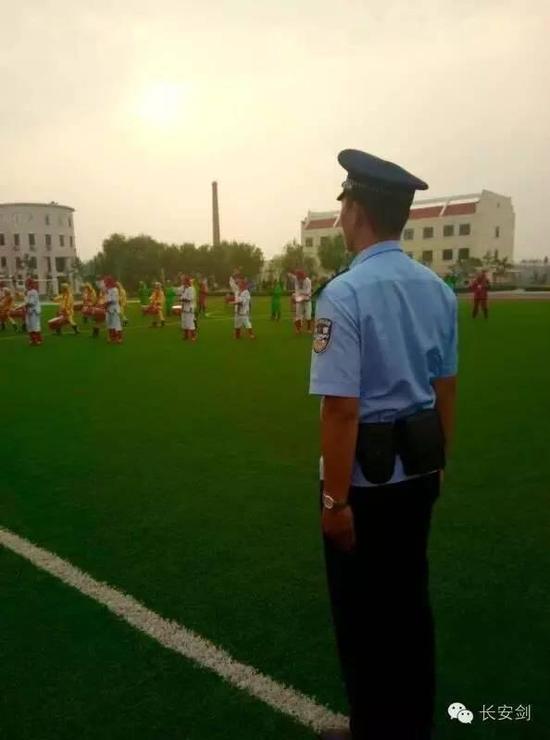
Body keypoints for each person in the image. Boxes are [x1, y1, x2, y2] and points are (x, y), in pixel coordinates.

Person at [309, 149, 457, 740]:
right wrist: (440, 463)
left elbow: (341, 408)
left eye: (344, 202)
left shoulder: (343, 295)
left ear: (359, 210)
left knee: (361, 617)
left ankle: (371, 728)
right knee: (409, 606)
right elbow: (444, 387)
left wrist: (334, 502)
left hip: (365, 485)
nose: (341, 214)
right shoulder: (437, 290)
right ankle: (414, 723)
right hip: (419, 473)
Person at [290, 270, 313, 334]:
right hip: (300, 299)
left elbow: (308, 292)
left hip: (307, 299)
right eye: (298, 278)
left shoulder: (308, 281)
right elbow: (297, 290)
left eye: (300, 278)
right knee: (298, 314)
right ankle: (298, 329)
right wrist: (300, 295)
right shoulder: (296, 280)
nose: (299, 280)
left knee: (308, 315)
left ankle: (309, 329)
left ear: (303, 277)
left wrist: (302, 294)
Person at [104, 275, 123, 344]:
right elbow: (105, 299)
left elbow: (114, 300)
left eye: (106, 281)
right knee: (109, 323)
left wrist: (106, 304)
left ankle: (119, 338)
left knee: (116, 323)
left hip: (114, 308)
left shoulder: (114, 289)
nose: (105, 283)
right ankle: (112, 337)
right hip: (108, 308)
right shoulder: (106, 289)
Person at [24, 277, 42, 346]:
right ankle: (32, 339)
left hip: (34, 311)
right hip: (29, 311)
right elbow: (26, 301)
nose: (26, 285)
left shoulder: (34, 291)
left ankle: (37, 340)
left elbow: (32, 302)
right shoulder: (27, 292)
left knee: (35, 325)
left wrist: (26, 303)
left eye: (27, 283)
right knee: (29, 325)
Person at [180, 275, 197, 342]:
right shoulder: (184, 289)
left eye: (183, 280)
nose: (182, 282)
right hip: (184, 308)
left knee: (190, 323)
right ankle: (186, 336)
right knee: (184, 323)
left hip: (189, 308)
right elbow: (181, 297)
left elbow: (190, 299)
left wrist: (183, 300)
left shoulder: (191, 289)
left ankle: (193, 337)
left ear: (186, 281)